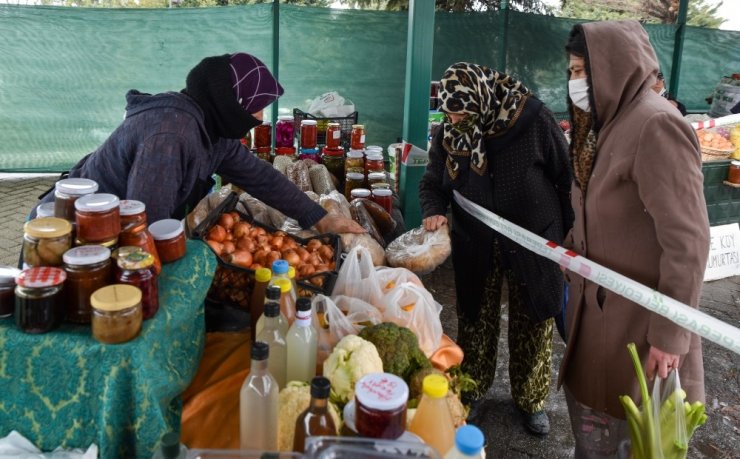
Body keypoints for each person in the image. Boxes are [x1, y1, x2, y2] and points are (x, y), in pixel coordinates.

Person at [559, 21, 709, 458]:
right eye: (571, 72)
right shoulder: (604, 125)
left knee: (632, 439)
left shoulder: (655, 125)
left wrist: (669, 335)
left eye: (584, 70)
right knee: (595, 435)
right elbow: (594, 209)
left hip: (642, 332)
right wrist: (569, 248)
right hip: (597, 315)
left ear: (616, 67)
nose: (576, 82)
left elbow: (689, 240)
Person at [36, 52, 362, 236]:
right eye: (256, 105)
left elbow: (260, 176)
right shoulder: (171, 137)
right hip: (68, 237)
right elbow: (145, 228)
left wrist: (319, 218)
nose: (260, 118)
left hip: (105, 236)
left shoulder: (208, 124)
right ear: (230, 102)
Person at [419, 62, 574, 436]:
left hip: (534, 239)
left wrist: (570, 239)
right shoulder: (450, 132)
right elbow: (432, 182)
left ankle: (532, 400)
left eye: (460, 111)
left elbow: (566, 177)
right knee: (475, 320)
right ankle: (471, 391)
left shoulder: (534, 121)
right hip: (477, 241)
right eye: (448, 111)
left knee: (533, 322)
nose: (453, 118)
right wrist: (435, 211)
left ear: (483, 100)